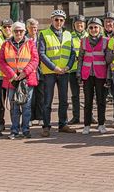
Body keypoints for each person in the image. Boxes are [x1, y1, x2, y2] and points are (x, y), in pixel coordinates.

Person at [39, 9, 77, 137]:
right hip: (50, 72)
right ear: (52, 20)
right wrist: (54, 67)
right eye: (56, 19)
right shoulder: (44, 34)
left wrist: (68, 66)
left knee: (64, 100)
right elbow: (41, 54)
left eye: (61, 20)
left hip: (64, 72)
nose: (58, 22)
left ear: (64, 21)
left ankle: (63, 124)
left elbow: (72, 53)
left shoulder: (68, 35)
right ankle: (46, 126)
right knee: (48, 100)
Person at [0, 22, 39, 139]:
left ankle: (26, 130)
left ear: (25, 31)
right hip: (12, 80)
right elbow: (1, 61)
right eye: (16, 31)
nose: (18, 33)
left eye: (21, 31)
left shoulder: (30, 43)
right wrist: (12, 74)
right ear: (12, 31)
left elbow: (35, 60)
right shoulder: (5, 44)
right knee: (14, 107)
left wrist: (24, 73)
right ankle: (14, 130)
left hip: (27, 79)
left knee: (26, 107)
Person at [76, 17, 109, 134]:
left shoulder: (106, 41)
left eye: (96, 27)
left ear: (100, 28)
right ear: (87, 29)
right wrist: (79, 73)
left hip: (101, 75)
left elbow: (108, 60)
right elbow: (80, 58)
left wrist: (108, 77)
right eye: (91, 27)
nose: (93, 29)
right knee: (88, 101)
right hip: (87, 75)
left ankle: (101, 124)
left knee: (101, 100)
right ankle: (87, 125)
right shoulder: (83, 41)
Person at [68, 15, 87, 125]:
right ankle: (76, 117)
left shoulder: (89, 35)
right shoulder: (70, 37)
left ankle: (90, 116)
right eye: (77, 23)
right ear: (74, 25)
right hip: (73, 69)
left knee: (88, 94)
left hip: (87, 69)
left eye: (82, 23)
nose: (80, 25)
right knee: (75, 95)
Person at [26, 18, 44, 126]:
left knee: (41, 94)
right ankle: (30, 118)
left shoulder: (41, 39)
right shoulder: (25, 40)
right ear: (27, 28)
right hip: (29, 71)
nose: (34, 30)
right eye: (31, 28)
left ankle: (40, 117)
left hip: (41, 70)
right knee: (29, 96)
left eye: (35, 28)